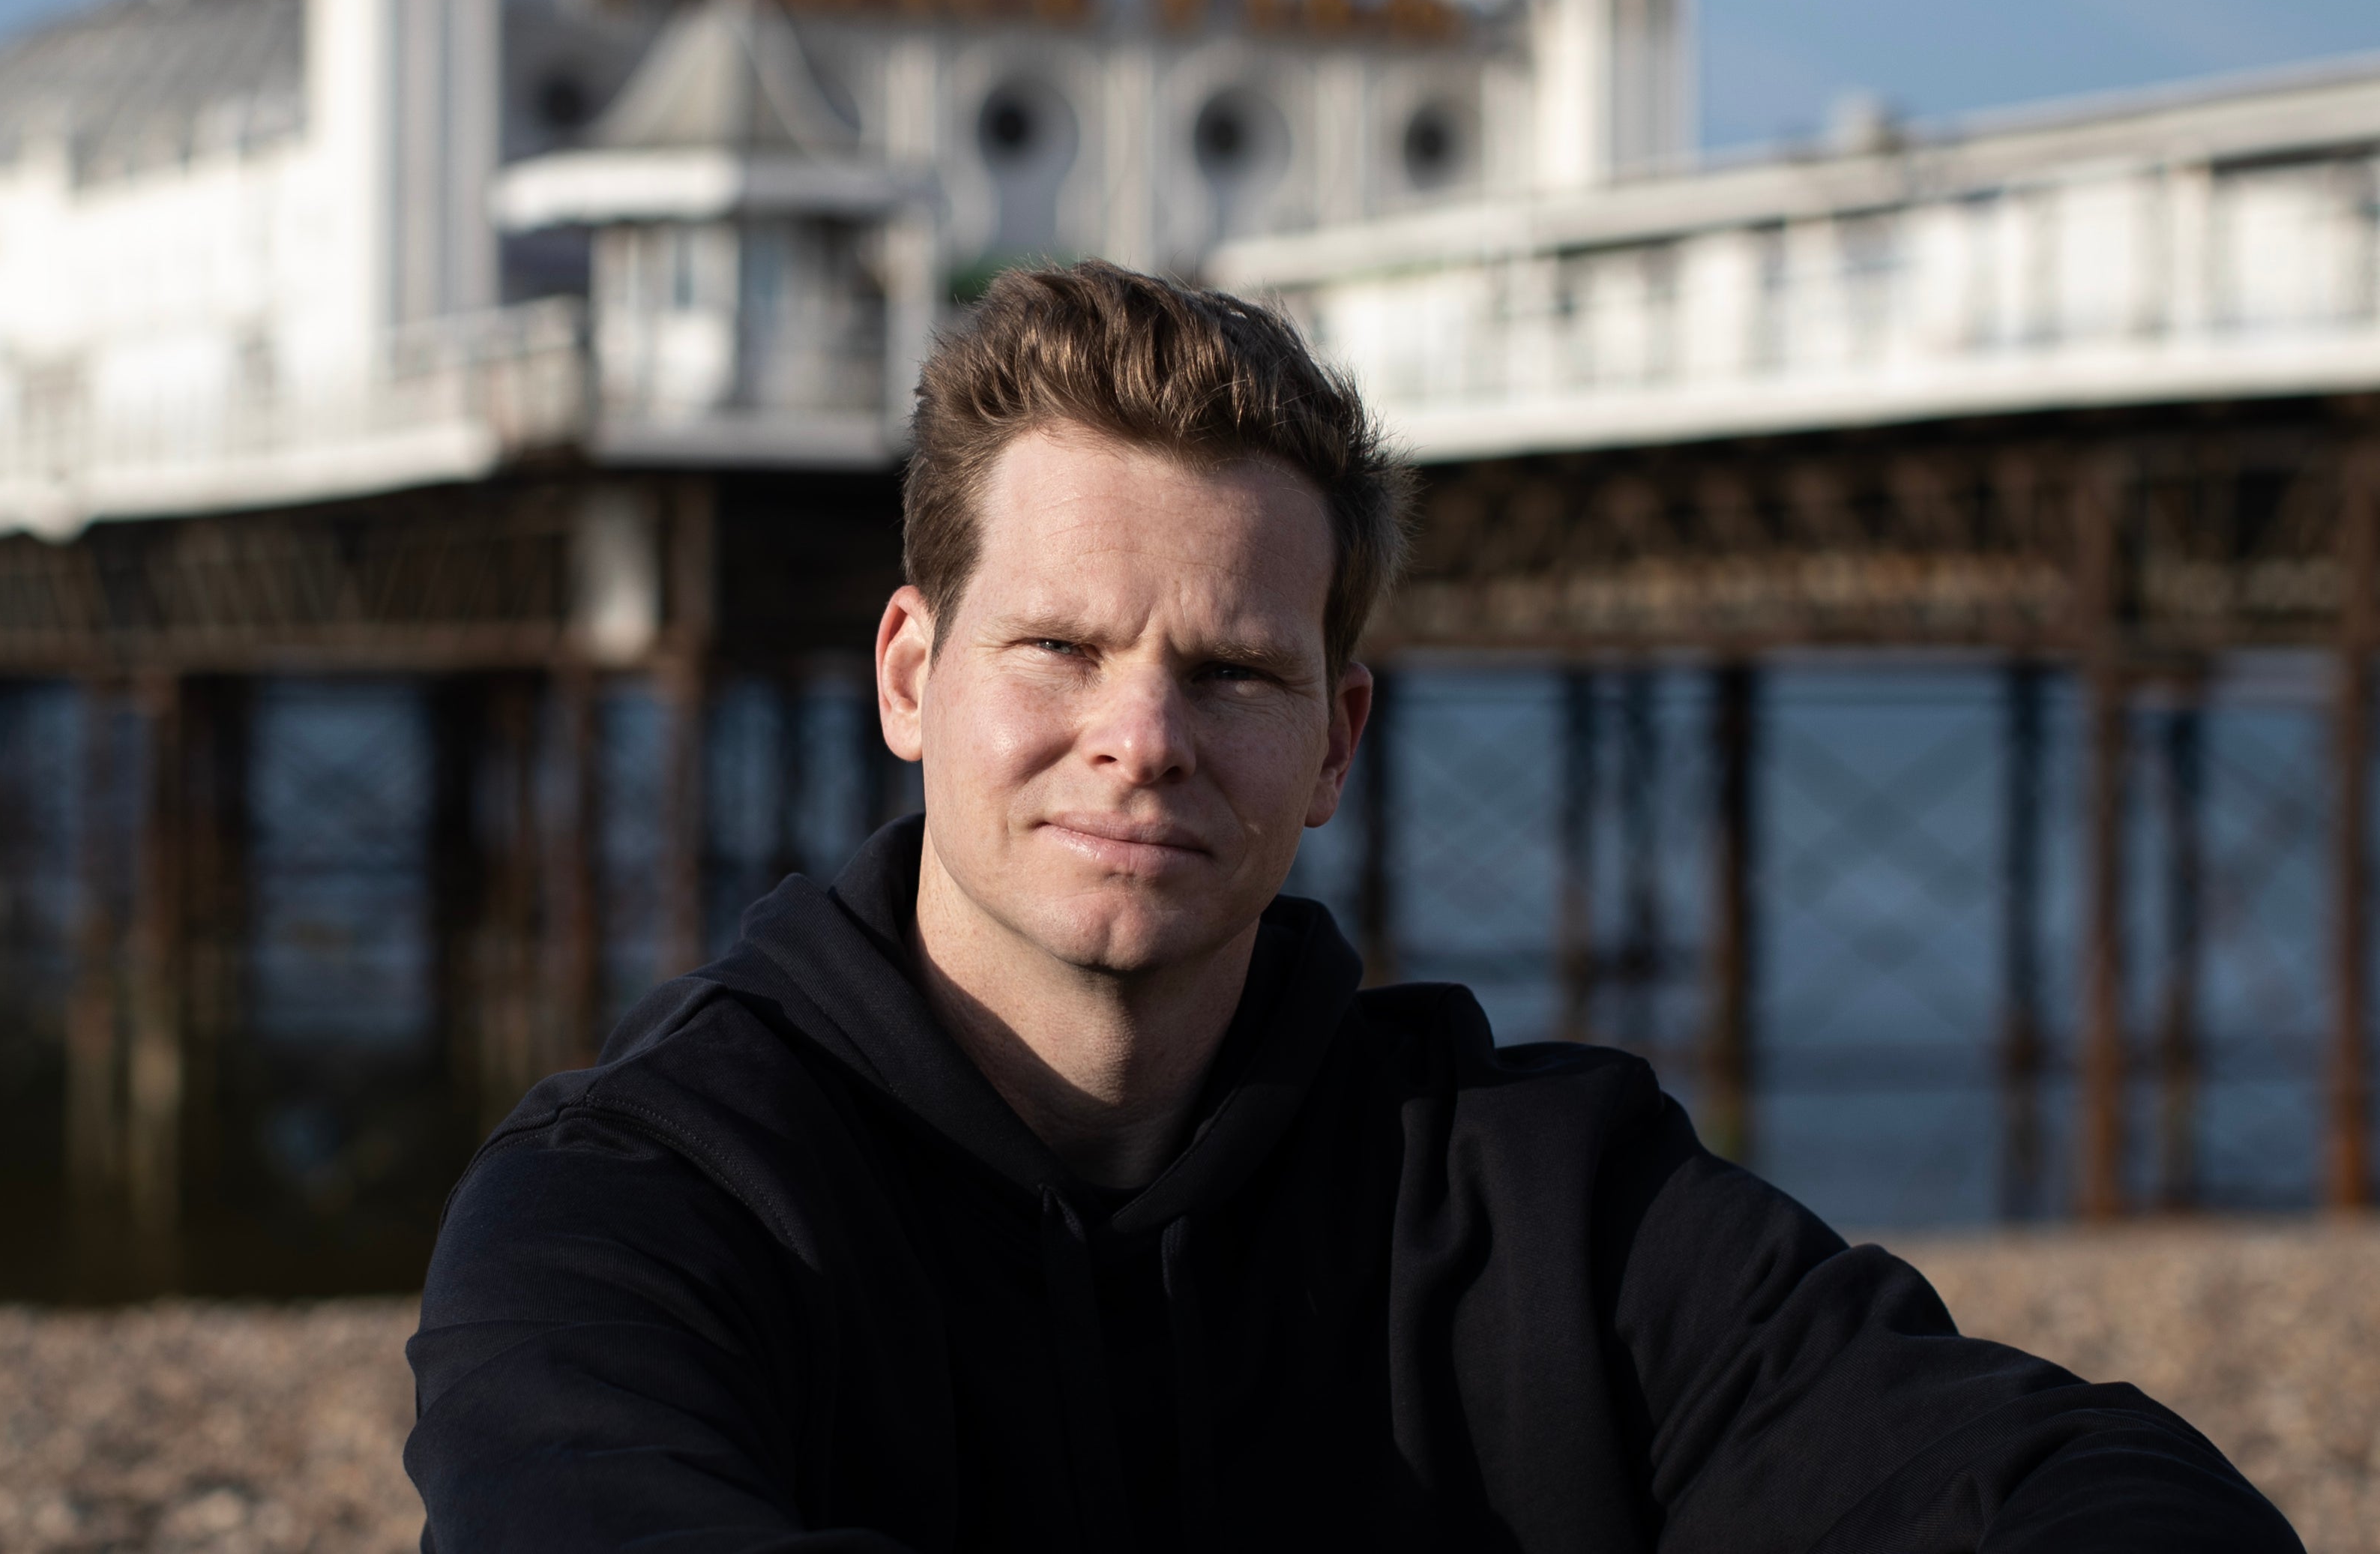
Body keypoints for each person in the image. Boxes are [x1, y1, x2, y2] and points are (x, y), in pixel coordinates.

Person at [406, 262, 2296, 1553]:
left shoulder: (1545, 1199)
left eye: (1233, 674)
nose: (1141, 739)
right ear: (910, 673)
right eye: (1057, 648)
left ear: (1336, 741)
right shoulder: (638, 1203)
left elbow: (2073, 1490)